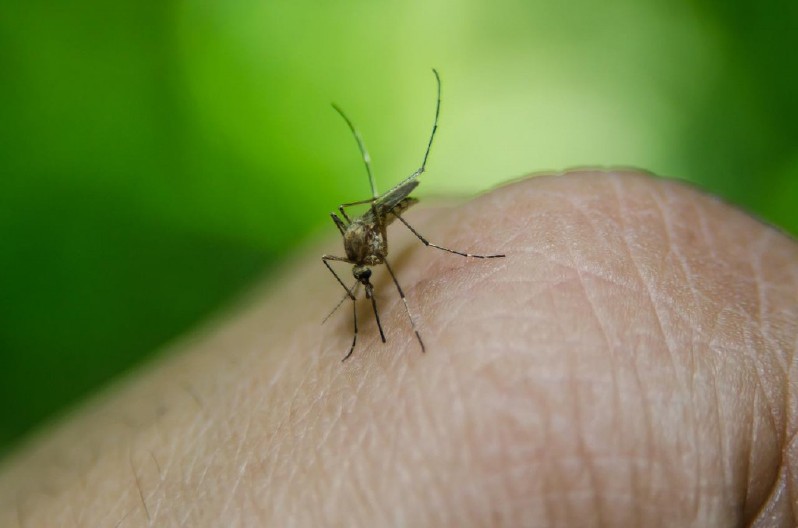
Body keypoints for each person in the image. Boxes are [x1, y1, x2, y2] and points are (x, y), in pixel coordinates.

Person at [1, 169, 795, 526]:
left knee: (399, 266)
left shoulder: (378, 229)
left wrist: (409, 260)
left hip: (387, 208)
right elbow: (349, 257)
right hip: (366, 224)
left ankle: (451, 266)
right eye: (360, 256)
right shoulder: (349, 252)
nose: (361, 262)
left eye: (363, 253)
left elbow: (373, 237)